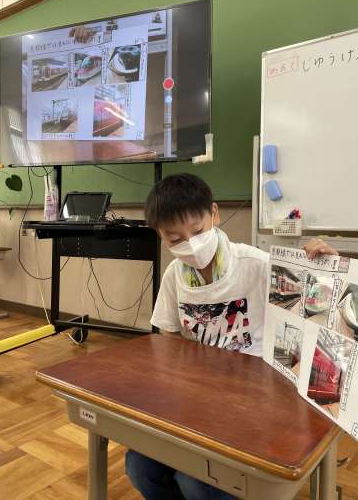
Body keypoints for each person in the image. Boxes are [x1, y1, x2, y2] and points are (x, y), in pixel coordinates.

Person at [125, 173, 338, 500]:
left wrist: (326, 270)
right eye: (175, 238)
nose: (191, 244)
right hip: (198, 397)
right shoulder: (174, 276)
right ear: (160, 235)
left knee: (196, 483)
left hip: (252, 400)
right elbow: (168, 343)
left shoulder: (256, 266)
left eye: (198, 231)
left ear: (214, 214)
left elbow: (319, 313)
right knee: (140, 467)